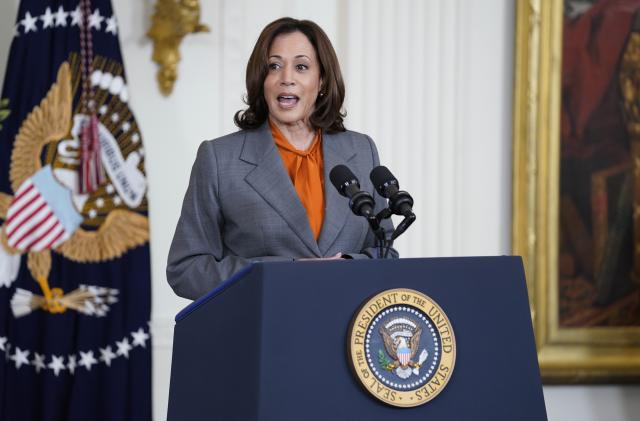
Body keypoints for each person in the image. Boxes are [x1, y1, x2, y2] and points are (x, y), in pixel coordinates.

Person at [167, 17, 397, 300]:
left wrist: (347, 266)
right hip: (262, 332)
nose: (286, 77)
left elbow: (386, 250)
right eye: (274, 66)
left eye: (301, 67)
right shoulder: (218, 159)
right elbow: (186, 269)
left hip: (345, 332)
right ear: (261, 80)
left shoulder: (361, 151)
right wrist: (280, 273)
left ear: (322, 80)